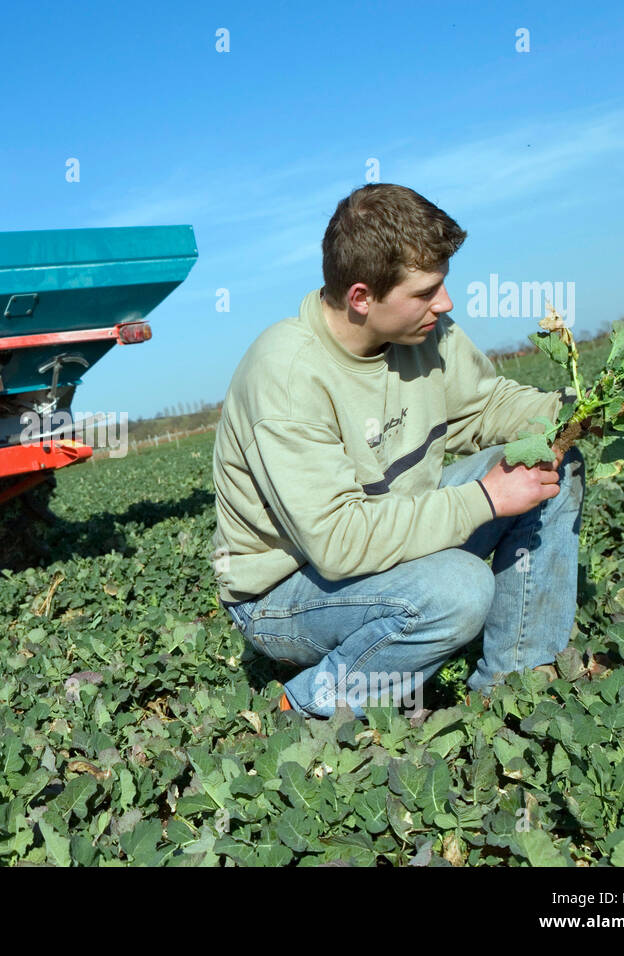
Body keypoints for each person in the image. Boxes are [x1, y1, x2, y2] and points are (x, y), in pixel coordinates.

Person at [210, 183, 585, 719]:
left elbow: (484, 405)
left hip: (383, 534)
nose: (445, 302)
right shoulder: (287, 379)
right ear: (362, 297)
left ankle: (518, 684)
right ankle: (312, 702)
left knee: (553, 459)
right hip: (284, 594)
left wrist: (580, 413)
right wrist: (485, 499)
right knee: (460, 589)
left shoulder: (424, 333)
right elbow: (339, 544)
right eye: (426, 291)